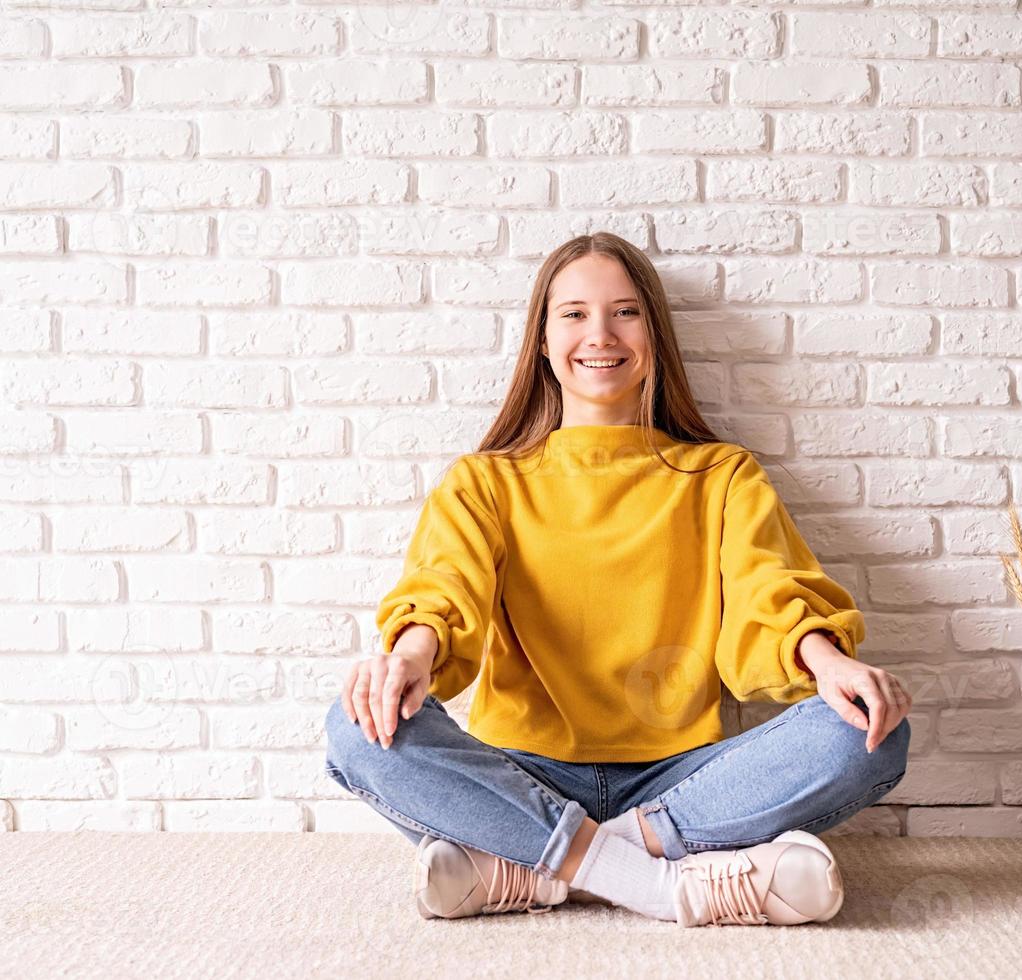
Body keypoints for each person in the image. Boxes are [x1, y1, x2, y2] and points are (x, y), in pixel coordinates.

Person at [323, 232, 913, 928]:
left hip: (685, 782)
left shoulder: (720, 476)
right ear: (541, 342)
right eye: (573, 314)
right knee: (354, 727)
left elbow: (768, 591)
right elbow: (446, 587)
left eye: (625, 312)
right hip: (522, 777)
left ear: (653, 334)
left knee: (870, 730)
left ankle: (536, 870)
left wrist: (829, 661)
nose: (598, 334)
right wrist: (410, 657)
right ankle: (669, 884)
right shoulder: (486, 481)